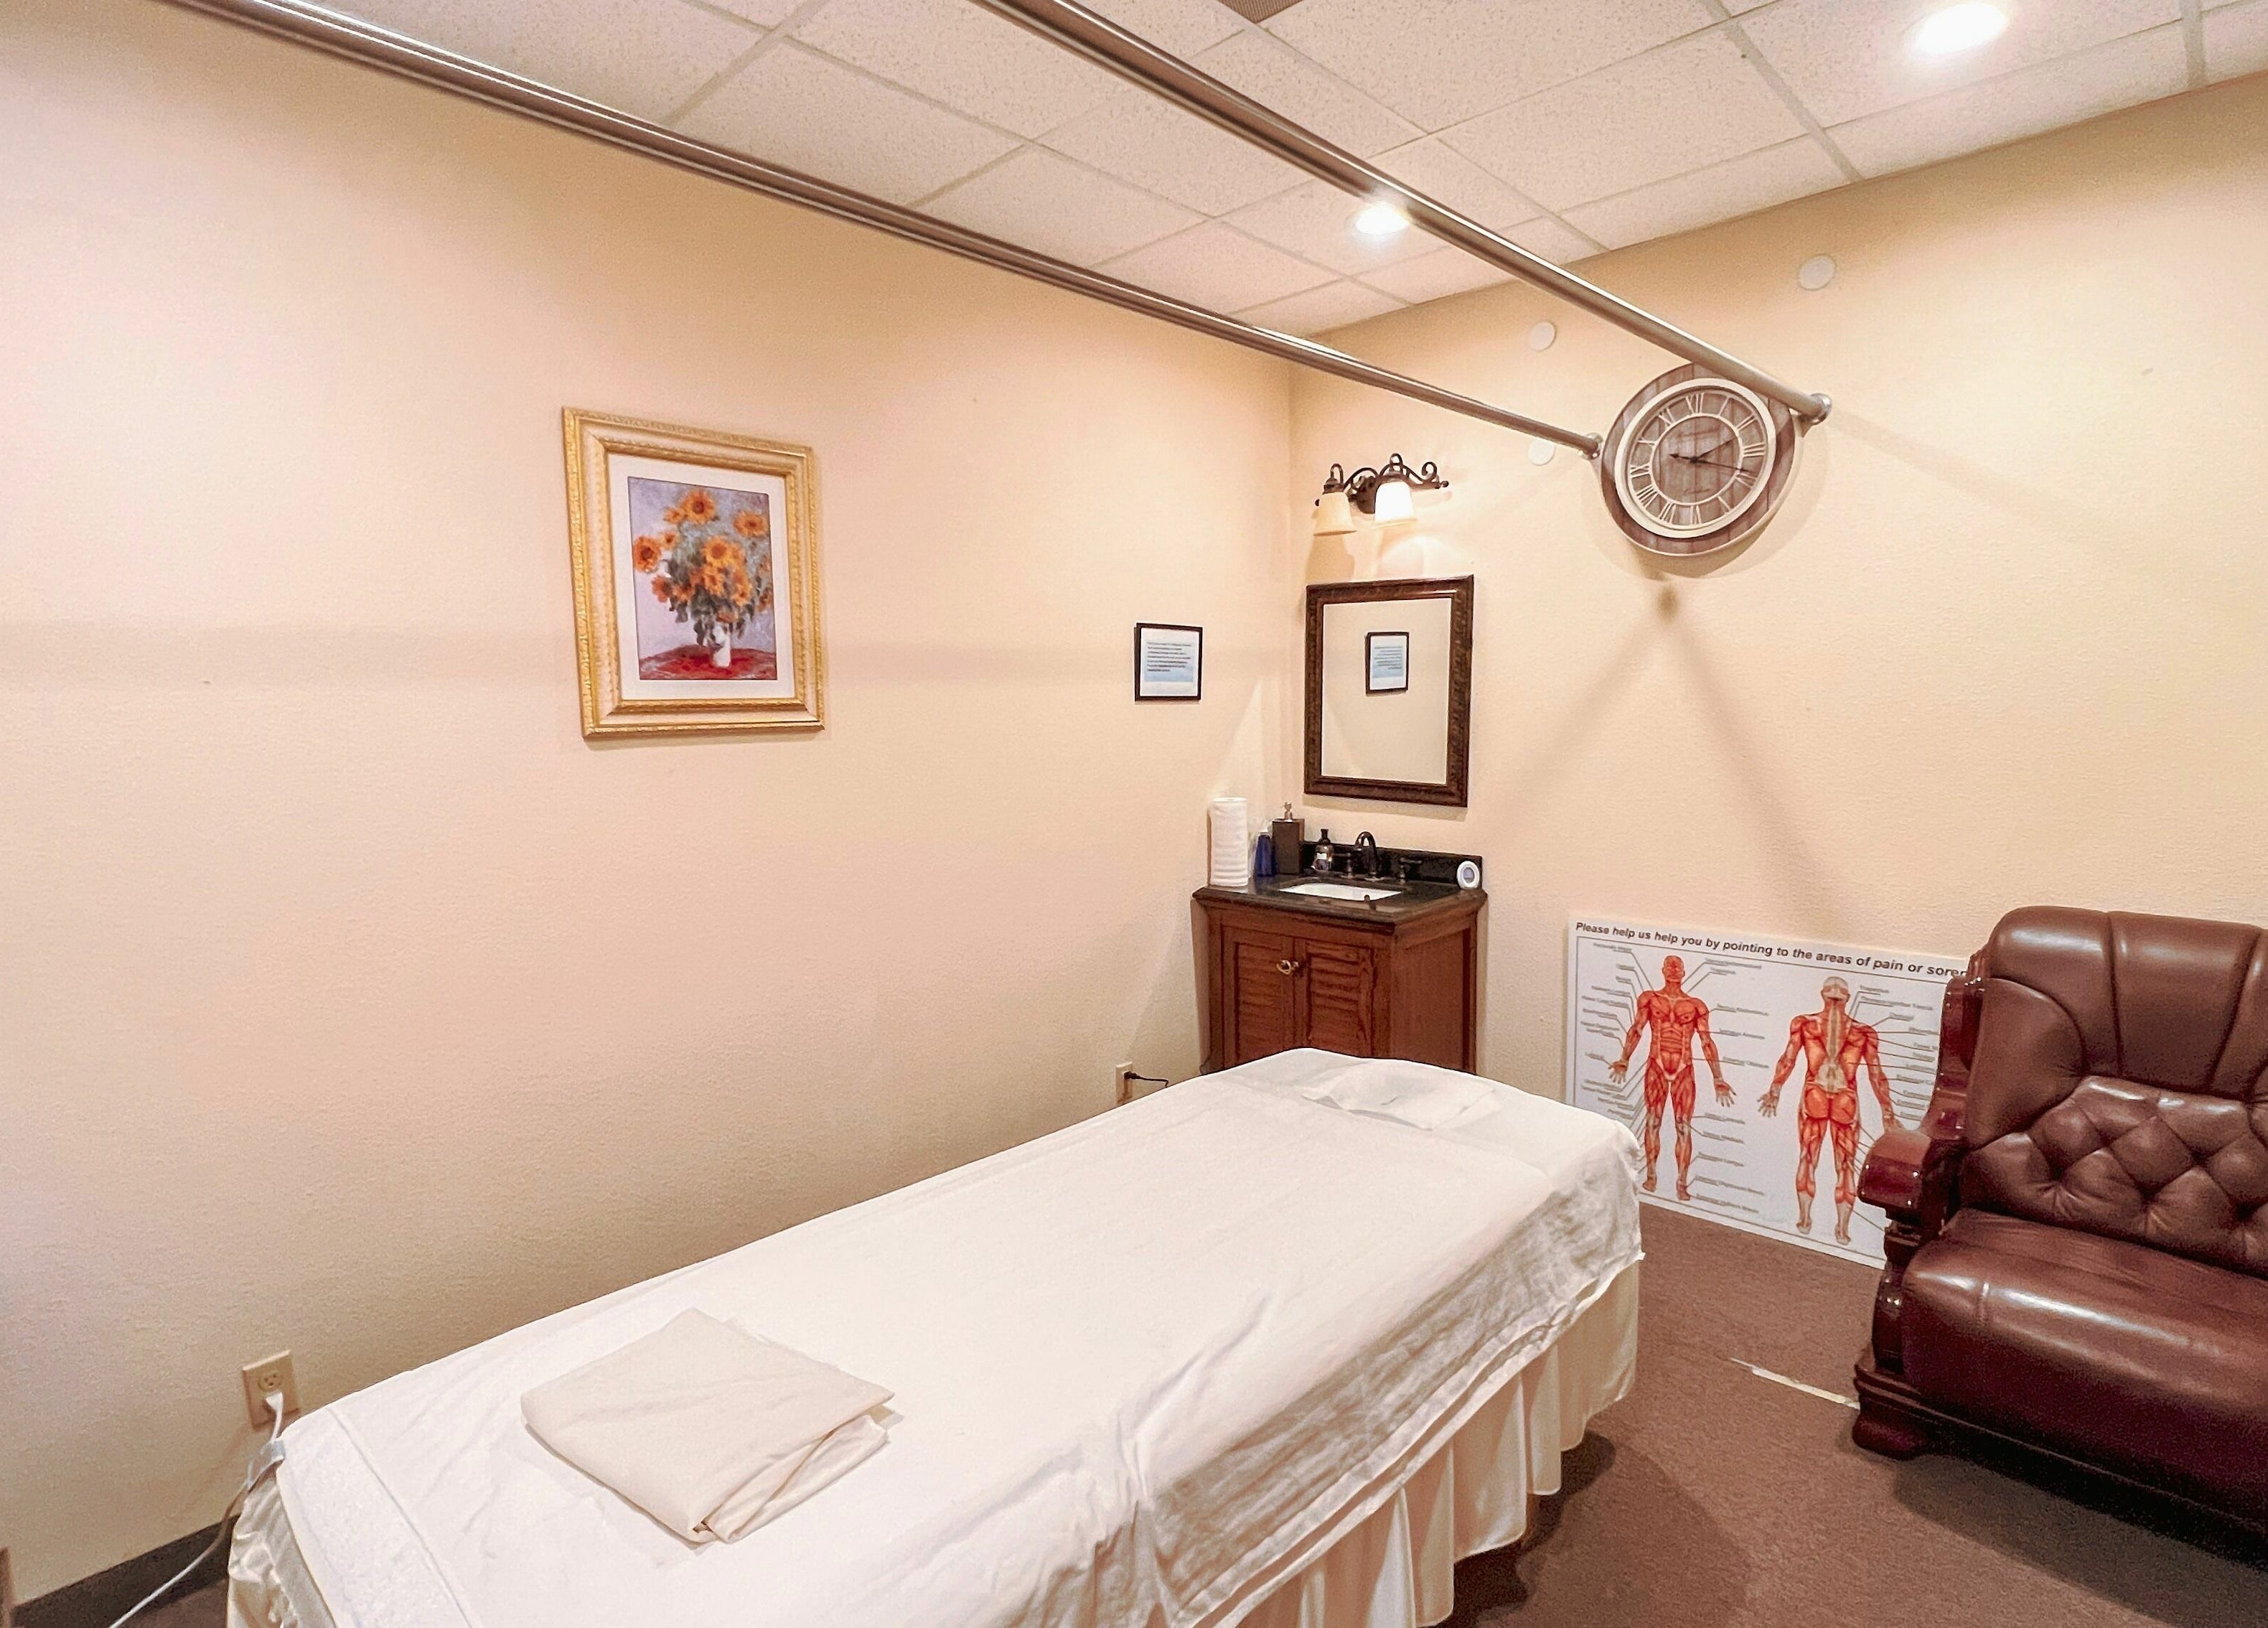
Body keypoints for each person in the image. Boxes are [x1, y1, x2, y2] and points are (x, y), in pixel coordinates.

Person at [1761, 976, 1901, 1244]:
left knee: (1813, 1158)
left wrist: (1776, 1089)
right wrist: (1887, 1113)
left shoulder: (1811, 1025)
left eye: (1838, 994)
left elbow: (1875, 1073)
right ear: (1827, 995)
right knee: (1836, 1164)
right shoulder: (1855, 1031)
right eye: (1833, 993)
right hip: (1842, 1099)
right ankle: (1838, 1228)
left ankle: (1812, 1220)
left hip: (1821, 1094)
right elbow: (1876, 1074)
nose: (1836, 997)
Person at [1607, 955, 1732, 1201]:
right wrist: (1625, 1058)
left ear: (1684, 972)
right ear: (1663, 970)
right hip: (1656, 1065)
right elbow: (1637, 1029)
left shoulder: (1696, 1005)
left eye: (1679, 968)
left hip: (1684, 1067)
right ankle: (1652, 1175)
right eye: (1670, 967)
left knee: (1683, 1126)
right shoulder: (1650, 999)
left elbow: (1707, 1041)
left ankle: (1682, 1183)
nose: (1674, 971)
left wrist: (1718, 1077)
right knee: (1653, 1121)